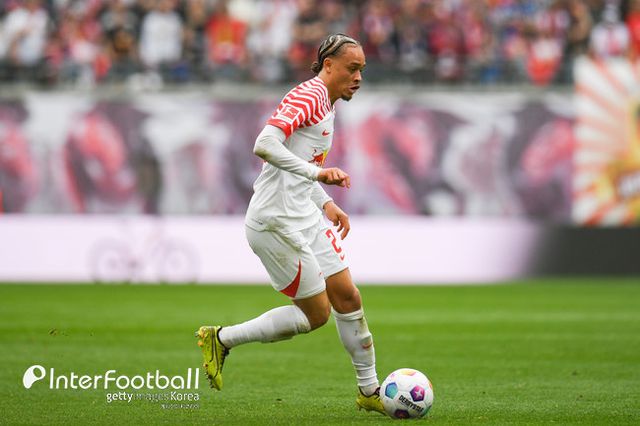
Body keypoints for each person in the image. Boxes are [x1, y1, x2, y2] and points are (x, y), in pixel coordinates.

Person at [196, 33, 385, 415]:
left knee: (348, 296)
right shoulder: (308, 96)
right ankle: (222, 338)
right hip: (275, 221)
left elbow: (301, 161)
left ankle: (369, 391)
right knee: (317, 315)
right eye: (352, 68)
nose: (359, 77)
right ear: (328, 65)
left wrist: (325, 202)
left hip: (305, 214)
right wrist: (319, 175)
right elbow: (265, 144)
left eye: (362, 70)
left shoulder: (327, 102)